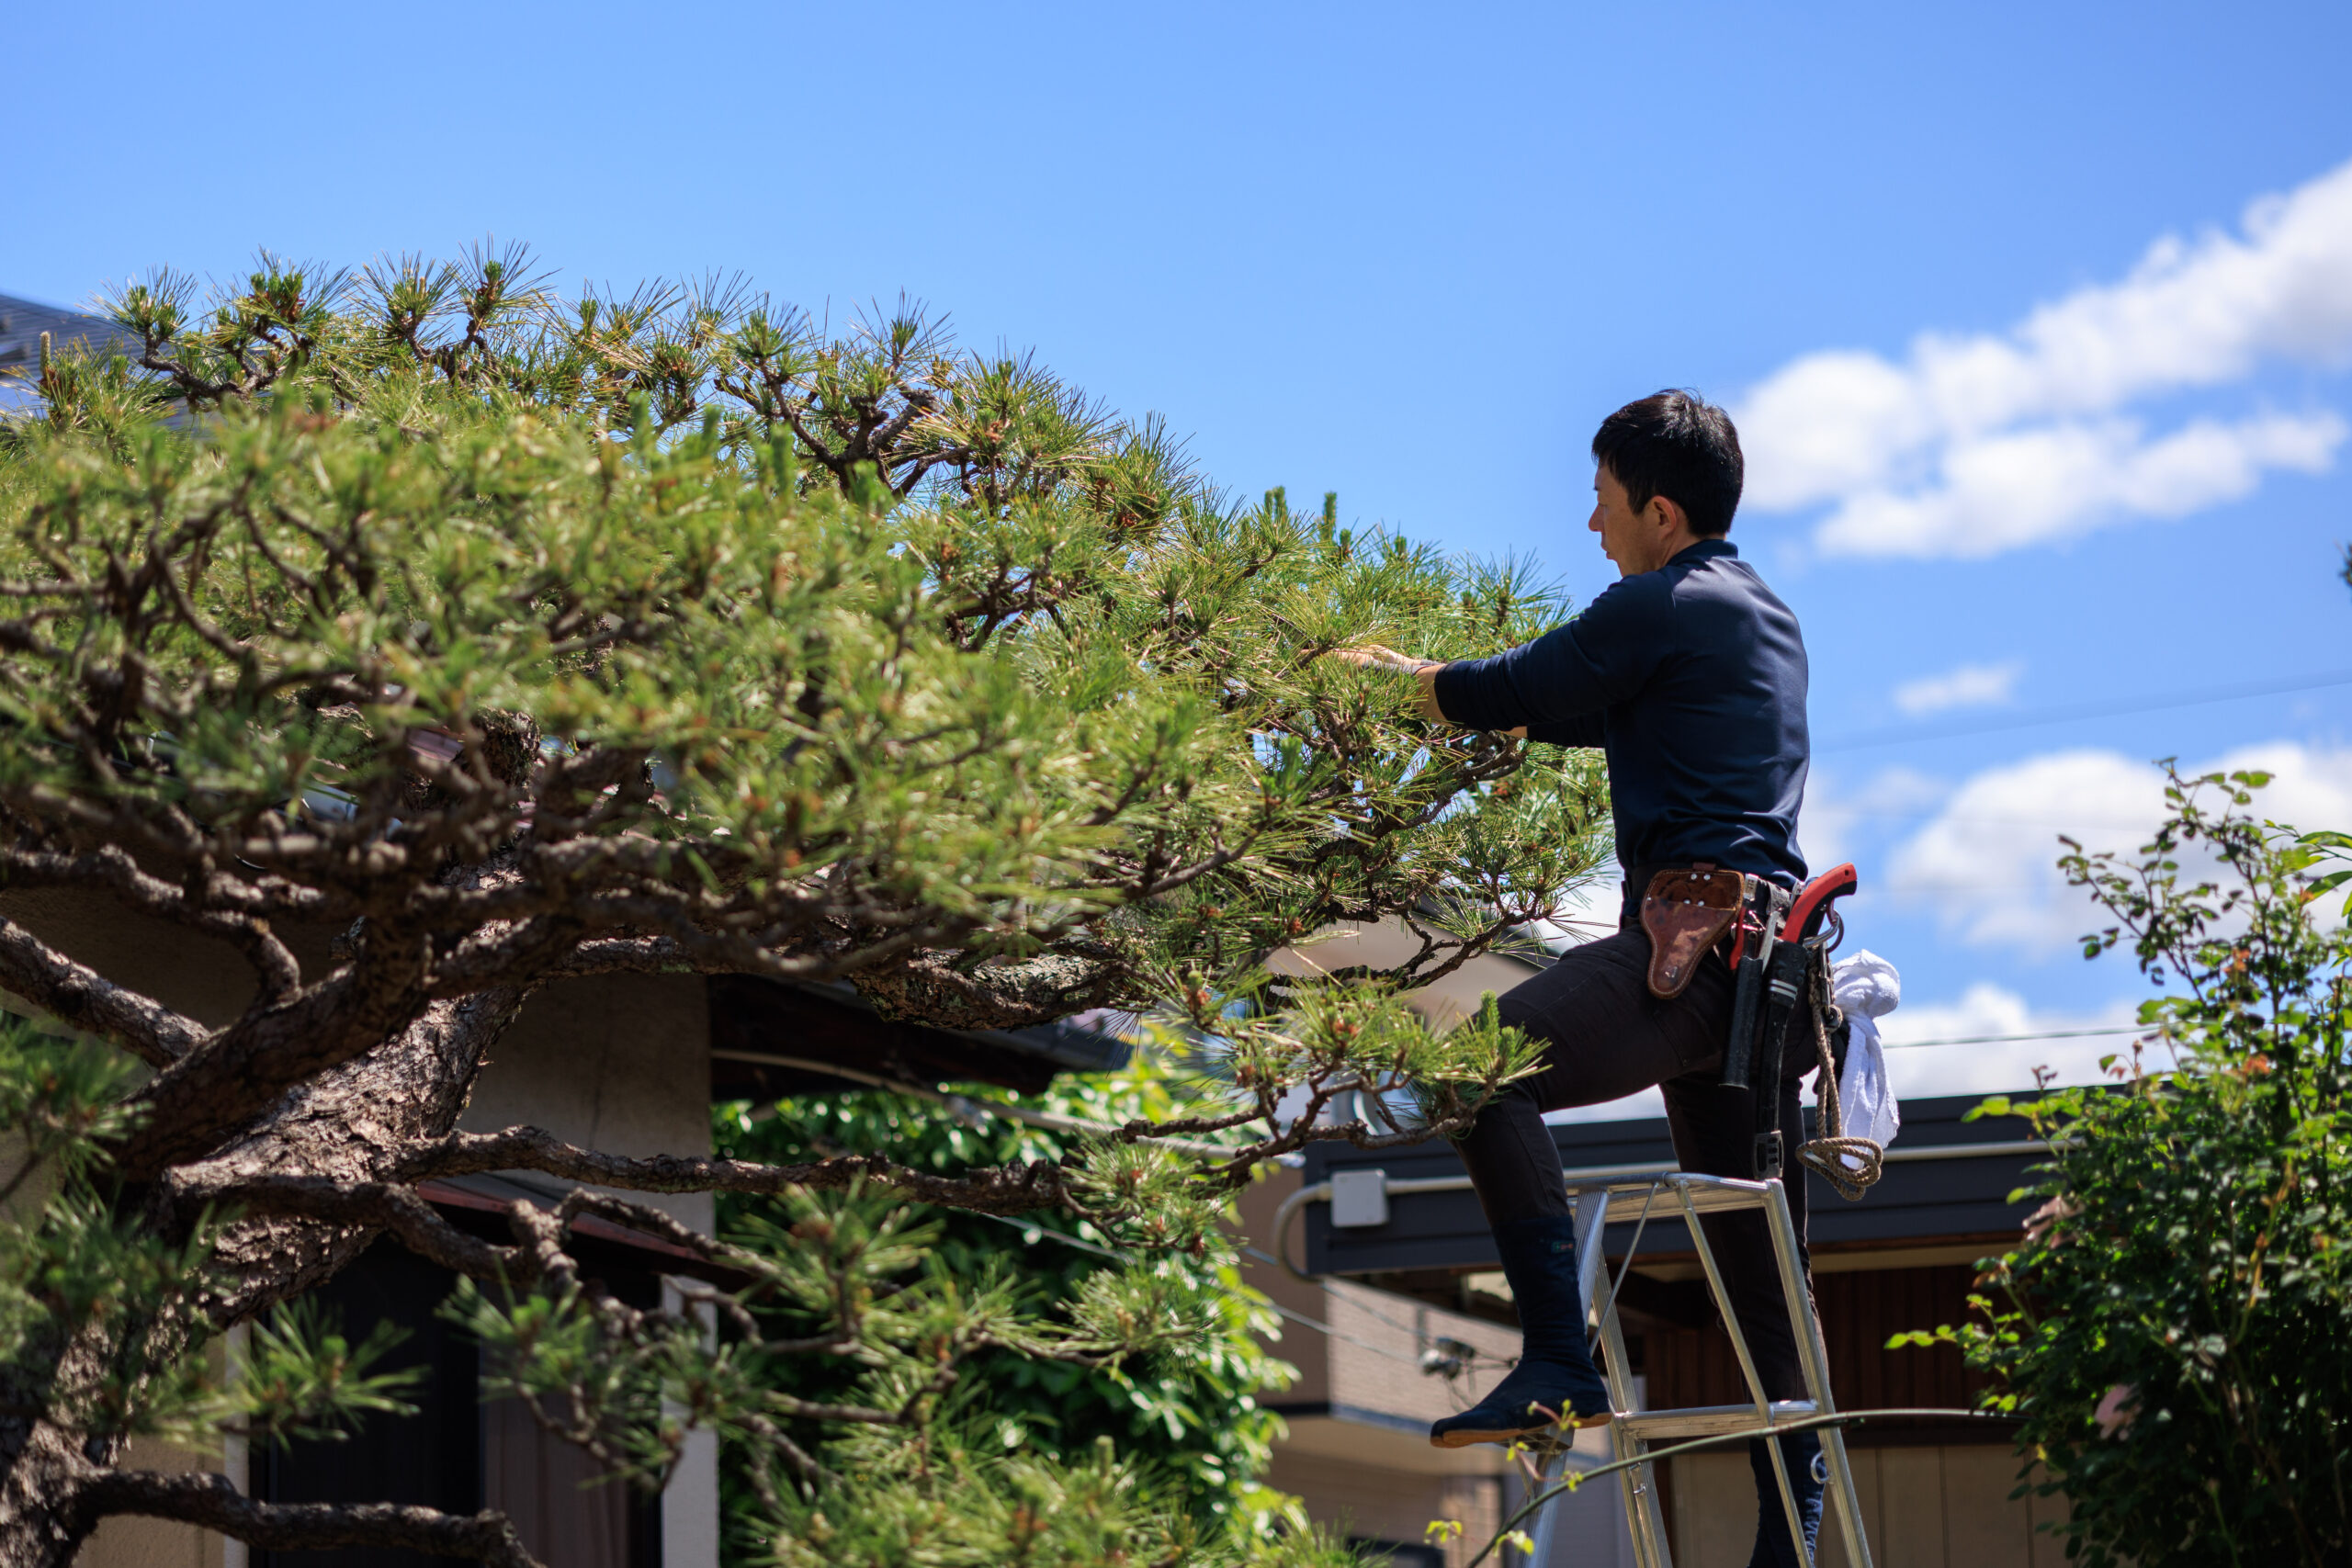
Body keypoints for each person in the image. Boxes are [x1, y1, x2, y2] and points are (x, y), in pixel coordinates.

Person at [1333, 389, 1826, 1568]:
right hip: (1761, 977)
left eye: (1603, 500)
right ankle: (1794, 1531)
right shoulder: (1758, 616)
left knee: (1477, 1071)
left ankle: (1559, 1358)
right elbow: (1581, 710)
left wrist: (1397, 679)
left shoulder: (1665, 603)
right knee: (1761, 1276)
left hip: (1693, 955)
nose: (1591, 524)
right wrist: (1479, 702)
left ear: (1660, 511)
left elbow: (1520, 686)